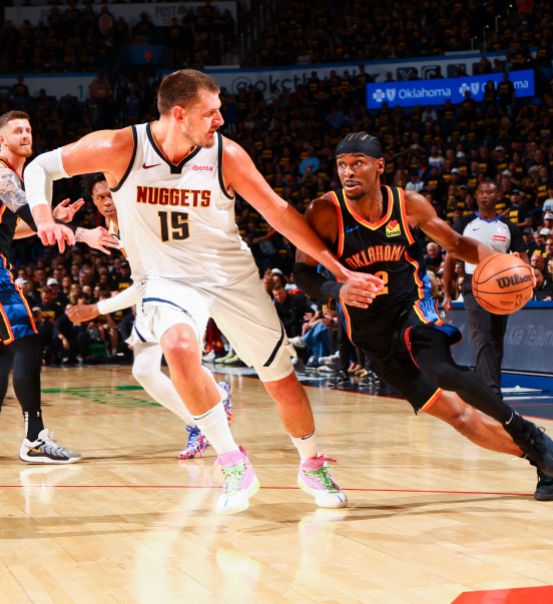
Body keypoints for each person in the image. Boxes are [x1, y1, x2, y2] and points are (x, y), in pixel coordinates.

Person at [23, 70, 382, 514]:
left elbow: (277, 211)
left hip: (230, 277)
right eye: (211, 113)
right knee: (175, 346)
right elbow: (40, 166)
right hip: (167, 279)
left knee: (282, 382)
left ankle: (310, 464)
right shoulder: (121, 147)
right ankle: (232, 459)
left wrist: (337, 268)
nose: (220, 120)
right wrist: (42, 216)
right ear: (179, 114)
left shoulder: (225, 155)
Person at [294, 132, 553, 501]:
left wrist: (499, 261)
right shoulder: (325, 211)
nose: (348, 172)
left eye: (357, 163)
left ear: (380, 166)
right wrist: (336, 290)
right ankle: (540, 457)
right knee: (458, 416)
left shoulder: (408, 204)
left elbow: (456, 244)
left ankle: (525, 430)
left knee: (442, 370)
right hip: (371, 335)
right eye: (342, 165)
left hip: (411, 307)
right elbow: (303, 274)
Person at [0, 110, 117, 464]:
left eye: (28, 129)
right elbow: (28, 211)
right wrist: (81, 233)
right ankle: (35, 440)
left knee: (3, 351)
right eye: (17, 131)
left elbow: (17, 228)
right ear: (2, 139)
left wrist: (52, 220)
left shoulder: (3, 177)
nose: (25, 135)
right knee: (28, 342)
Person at [68, 175, 232, 460]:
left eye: (110, 195)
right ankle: (211, 403)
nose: (107, 202)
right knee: (144, 370)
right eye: (100, 198)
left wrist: (97, 309)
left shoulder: (137, 221)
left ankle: (205, 419)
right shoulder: (112, 226)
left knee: (180, 362)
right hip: (154, 291)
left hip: (180, 287)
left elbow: (145, 282)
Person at [441, 180, 528, 400]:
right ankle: (490, 392)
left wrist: (524, 285)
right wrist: (446, 293)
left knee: (497, 338)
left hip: (503, 287)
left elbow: (524, 261)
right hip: (473, 284)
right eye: (481, 192)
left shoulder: (509, 227)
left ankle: (490, 385)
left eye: (490, 191)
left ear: (498, 195)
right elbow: (450, 259)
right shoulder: (464, 223)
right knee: (482, 336)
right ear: (476, 196)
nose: (485, 195)